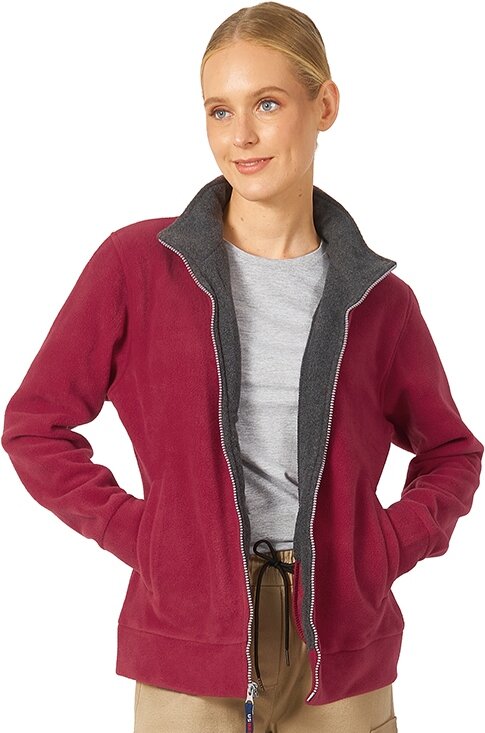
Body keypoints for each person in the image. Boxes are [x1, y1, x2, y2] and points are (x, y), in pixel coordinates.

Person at [1, 2, 483, 732]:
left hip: (340, 647)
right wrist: (144, 535)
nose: (241, 136)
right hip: (188, 639)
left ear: (324, 106)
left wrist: (383, 546)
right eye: (219, 111)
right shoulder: (138, 266)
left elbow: (451, 452)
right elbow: (34, 426)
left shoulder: (379, 301)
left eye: (267, 104)